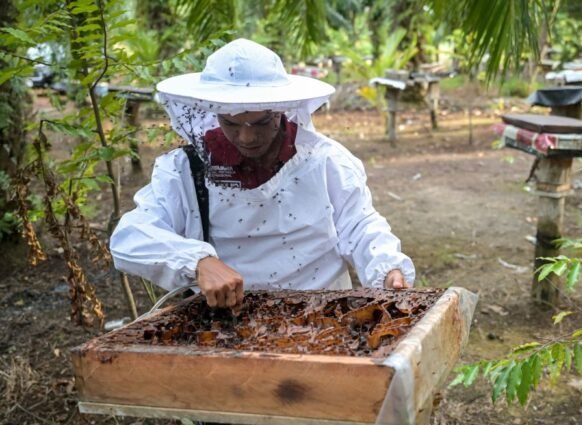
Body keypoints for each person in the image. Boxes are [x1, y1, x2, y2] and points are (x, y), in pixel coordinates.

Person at [110, 38, 415, 310]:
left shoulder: (326, 160)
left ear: (280, 110)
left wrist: (387, 267)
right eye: (232, 124)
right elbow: (131, 236)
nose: (246, 137)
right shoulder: (183, 170)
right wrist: (197, 262)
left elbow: (359, 224)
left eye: (260, 123)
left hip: (325, 316)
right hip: (227, 326)